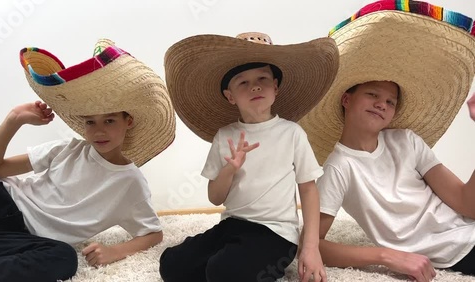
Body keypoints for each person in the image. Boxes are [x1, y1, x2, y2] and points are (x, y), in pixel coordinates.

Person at [297, 1, 475, 282]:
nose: (382, 104)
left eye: (390, 101)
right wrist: (385, 255)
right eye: (372, 95)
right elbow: (310, 245)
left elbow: (467, 204)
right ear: (346, 99)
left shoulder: (407, 141)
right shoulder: (339, 168)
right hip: (462, 251)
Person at [0, 39, 176, 282]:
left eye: (109, 120)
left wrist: (114, 251)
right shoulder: (67, 149)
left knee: (64, 257)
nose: (99, 131)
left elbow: (153, 234)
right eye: (90, 122)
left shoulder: (130, 182)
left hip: (21, 237)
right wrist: (14, 119)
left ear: (128, 121)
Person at [159, 32, 339, 282]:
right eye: (243, 82)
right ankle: (227, 258)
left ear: (275, 87)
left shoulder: (292, 133)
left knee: (223, 272)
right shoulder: (224, 136)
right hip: (233, 225)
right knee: (171, 265)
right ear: (230, 96)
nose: (255, 86)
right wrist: (229, 170)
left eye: (263, 79)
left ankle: (234, 263)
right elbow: (215, 198)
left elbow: (308, 190)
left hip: (276, 233)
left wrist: (310, 247)